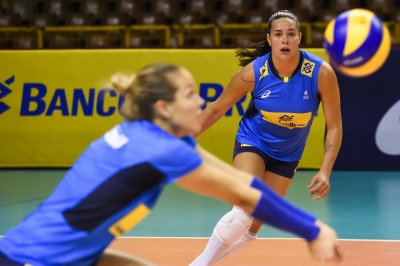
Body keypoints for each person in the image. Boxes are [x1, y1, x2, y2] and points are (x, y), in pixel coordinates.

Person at [0, 63, 342, 266]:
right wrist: (313, 230)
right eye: (190, 94)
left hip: (65, 253)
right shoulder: (161, 150)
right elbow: (244, 194)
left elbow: (244, 186)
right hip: (35, 259)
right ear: (164, 108)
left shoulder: (160, 137)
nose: (201, 101)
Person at [190, 10, 343, 266]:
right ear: (270, 39)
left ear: (299, 38)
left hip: (287, 154)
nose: (285, 40)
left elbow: (335, 126)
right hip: (254, 142)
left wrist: (325, 171)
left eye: (291, 34)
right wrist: (179, 138)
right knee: (243, 210)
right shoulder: (253, 73)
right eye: (279, 34)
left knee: (250, 232)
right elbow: (216, 109)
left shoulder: (320, 73)